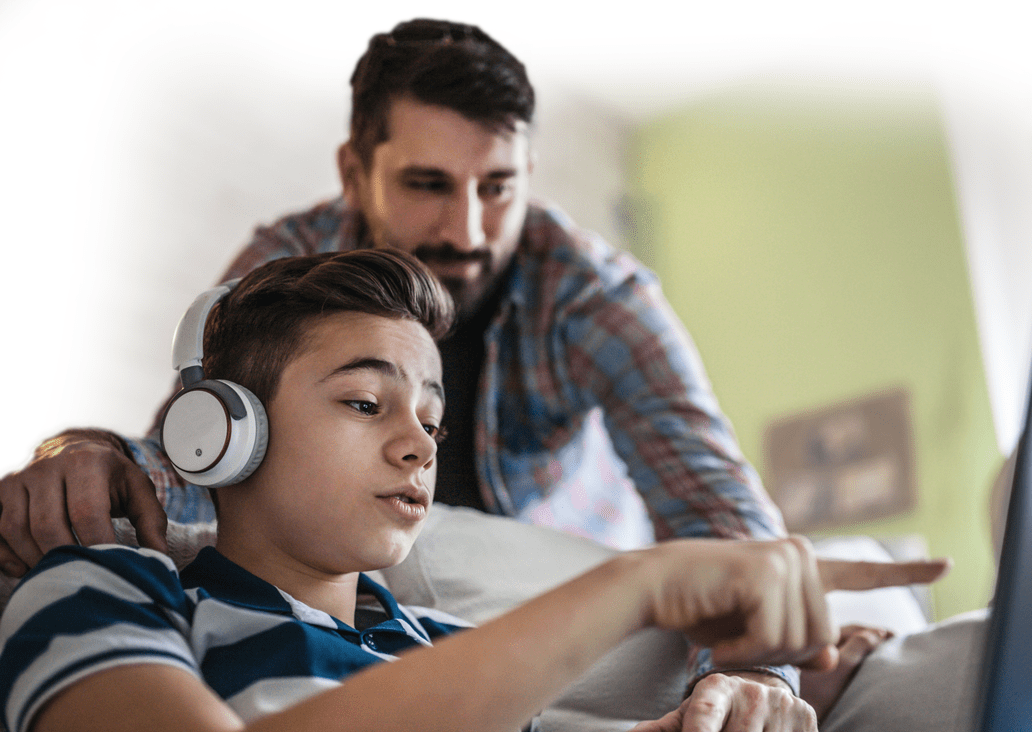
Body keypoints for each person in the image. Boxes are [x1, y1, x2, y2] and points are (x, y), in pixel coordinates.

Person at [0, 250, 946, 732]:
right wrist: (635, 582)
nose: (419, 446)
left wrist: (819, 660)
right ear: (220, 434)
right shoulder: (104, 589)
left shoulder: (450, 648)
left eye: (431, 418)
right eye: (367, 404)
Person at [0, 16, 784, 563]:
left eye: (499, 187)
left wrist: (755, 670)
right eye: (428, 184)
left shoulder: (596, 297)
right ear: (354, 172)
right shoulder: (288, 260)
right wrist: (89, 459)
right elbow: (207, 453)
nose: (469, 231)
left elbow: (722, 514)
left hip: (557, 581)